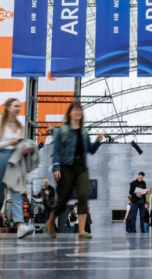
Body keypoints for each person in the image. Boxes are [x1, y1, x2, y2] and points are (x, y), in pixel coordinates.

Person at [45, 102, 103, 239]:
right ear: (70, 113)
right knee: (63, 200)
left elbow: (91, 150)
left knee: (84, 195)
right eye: (75, 109)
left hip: (81, 168)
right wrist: (56, 168)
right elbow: (57, 150)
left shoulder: (83, 131)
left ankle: (82, 231)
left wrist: (98, 141)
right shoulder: (62, 130)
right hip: (66, 167)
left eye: (80, 110)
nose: (78, 112)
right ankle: (51, 221)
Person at [0, 98, 35, 239]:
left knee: (17, 192)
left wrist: (22, 148)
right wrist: (8, 142)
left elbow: (18, 143)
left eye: (19, 106)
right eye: (15, 106)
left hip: (15, 159)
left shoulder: (19, 125)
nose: (18, 108)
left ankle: (20, 226)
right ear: (7, 108)